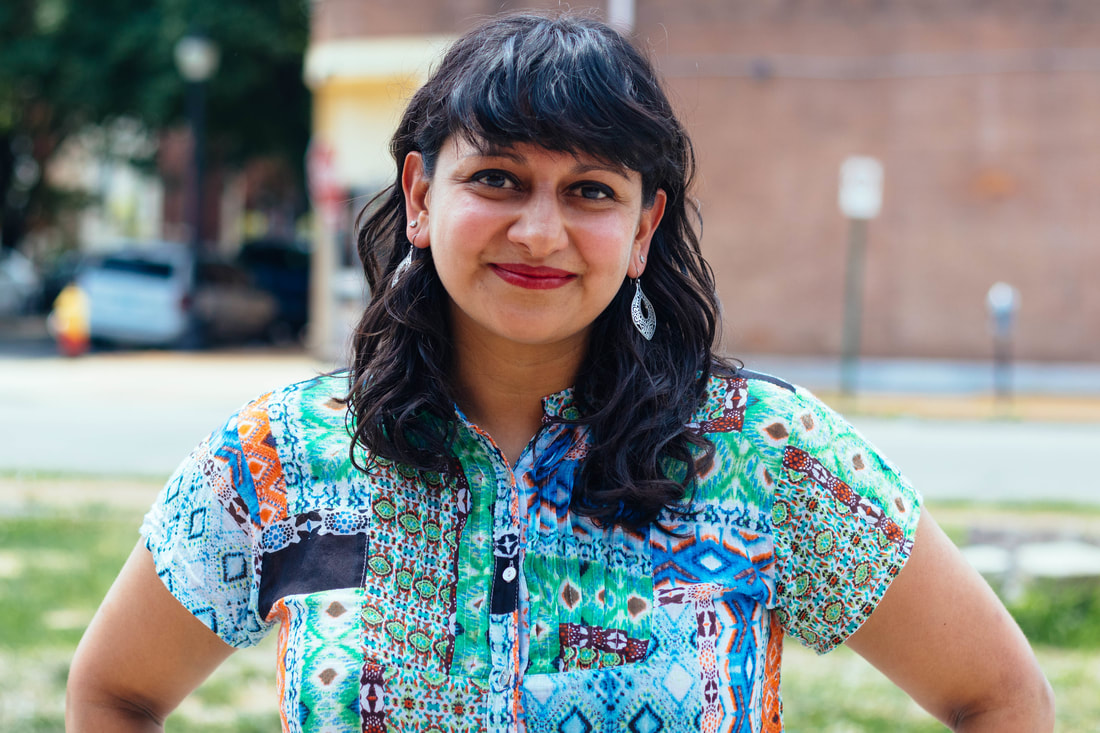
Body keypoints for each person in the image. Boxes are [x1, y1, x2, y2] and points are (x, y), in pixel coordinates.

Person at [67, 12, 1054, 732]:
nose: (538, 230)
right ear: (419, 194)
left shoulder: (764, 454)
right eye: (496, 178)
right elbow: (114, 691)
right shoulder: (282, 457)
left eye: (588, 191)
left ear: (642, 227)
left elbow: (998, 695)